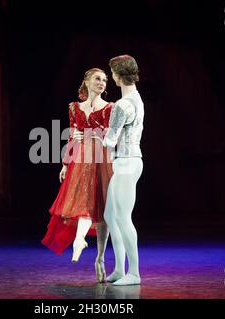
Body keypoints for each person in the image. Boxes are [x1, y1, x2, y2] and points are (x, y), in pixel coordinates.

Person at [41, 68, 114, 283]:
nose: (102, 83)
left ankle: (99, 257)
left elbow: (113, 135)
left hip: (102, 159)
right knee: (83, 201)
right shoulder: (74, 108)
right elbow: (73, 137)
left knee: (101, 208)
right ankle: (79, 240)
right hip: (82, 159)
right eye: (98, 79)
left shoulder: (110, 108)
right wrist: (65, 163)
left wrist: (95, 134)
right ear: (87, 81)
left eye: (105, 80)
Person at [92, 55, 144, 286]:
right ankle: (120, 270)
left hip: (126, 162)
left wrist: (93, 133)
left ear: (116, 76)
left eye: (111, 73)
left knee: (122, 218)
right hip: (128, 161)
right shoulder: (136, 98)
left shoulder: (122, 105)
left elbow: (110, 140)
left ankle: (134, 273)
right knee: (110, 216)